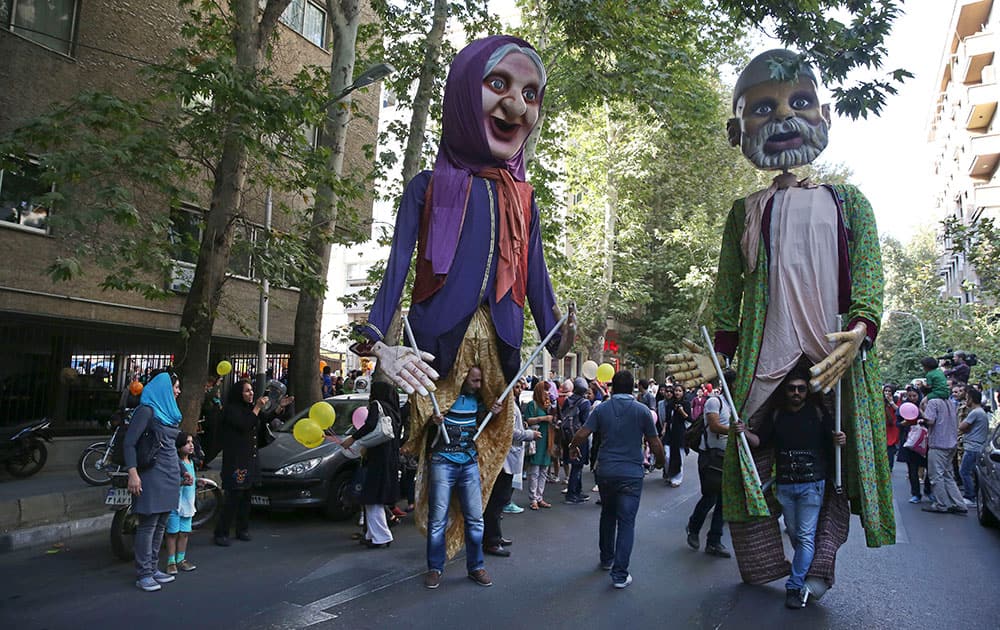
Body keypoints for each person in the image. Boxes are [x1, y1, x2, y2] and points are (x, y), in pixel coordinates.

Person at [664, 49, 895, 592]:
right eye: (762, 109)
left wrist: (862, 329)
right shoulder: (743, 213)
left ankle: (816, 565)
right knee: (747, 452)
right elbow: (728, 292)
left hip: (836, 357)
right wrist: (718, 352)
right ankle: (768, 560)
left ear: (826, 114)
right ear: (735, 130)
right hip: (763, 356)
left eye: (800, 102)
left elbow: (869, 275)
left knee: (842, 464)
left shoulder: (850, 202)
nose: (784, 117)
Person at [354, 36, 575, 564]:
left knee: (493, 439)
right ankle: (443, 539)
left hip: (503, 335)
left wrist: (558, 324)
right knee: (439, 443)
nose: (516, 104)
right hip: (437, 340)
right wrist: (375, 337)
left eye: (531, 93)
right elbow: (397, 266)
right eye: (498, 84)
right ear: (459, 95)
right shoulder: (427, 187)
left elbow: (536, 277)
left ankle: (470, 538)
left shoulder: (525, 198)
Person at [737, 369, 846, 609]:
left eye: (801, 388)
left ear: (808, 391)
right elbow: (759, 441)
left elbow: (833, 440)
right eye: (791, 388)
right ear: (785, 391)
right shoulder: (777, 415)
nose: (796, 392)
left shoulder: (818, 413)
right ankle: (806, 569)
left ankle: (794, 586)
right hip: (785, 485)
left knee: (806, 537)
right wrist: (744, 432)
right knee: (797, 535)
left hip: (812, 485)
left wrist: (840, 439)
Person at [568, 370, 663, 589]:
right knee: (626, 522)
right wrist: (660, 462)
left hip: (607, 472)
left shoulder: (601, 409)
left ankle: (606, 559)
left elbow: (582, 433)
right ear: (632, 388)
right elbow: (655, 442)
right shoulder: (642, 411)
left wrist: (573, 448)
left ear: (612, 387)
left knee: (608, 515)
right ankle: (620, 575)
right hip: (631, 474)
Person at [424, 367, 501, 589]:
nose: (478, 385)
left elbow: (486, 424)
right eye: (474, 380)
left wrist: (493, 411)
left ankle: (476, 567)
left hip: (468, 462)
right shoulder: (444, 399)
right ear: (463, 378)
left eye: (480, 381)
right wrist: (434, 422)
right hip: (442, 461)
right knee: (437, 520)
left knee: (476, 519)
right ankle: (435, 569)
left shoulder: (477, 401)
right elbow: (423, 425)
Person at [123, 372, 182, 592]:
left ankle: (153, 567)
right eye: (175, 387)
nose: (178, 391)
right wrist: (133, 473)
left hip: (170, 473)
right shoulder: (146, 411)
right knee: (148, 525)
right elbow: (129, 444)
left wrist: (182, 471)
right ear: (164, 390)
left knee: (161, 525)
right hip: (151, 474)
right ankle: (143, 573)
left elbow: (169, 446)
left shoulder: (169, 413)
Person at [334, 380, 403, 548]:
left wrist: (354, 438)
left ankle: (381, 536)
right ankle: (373, 535)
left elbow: (370, 425)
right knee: (373, 498)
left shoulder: (376, 405)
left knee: (372, 498)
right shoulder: (393, 410)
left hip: (377, 458)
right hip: (389, 458)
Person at [483, 379, 540, 556]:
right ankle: (491, 540)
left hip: (511, 457)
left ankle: (495, 535)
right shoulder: (504, 404)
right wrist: (529, 434)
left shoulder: (512, 403)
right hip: (504, 459)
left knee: (501, 501)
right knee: (496, 501)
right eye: (516, 385)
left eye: (520, 385)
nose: (520, 388)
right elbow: (507, 431)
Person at [686, 371, 735, 559]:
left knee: (724, 501)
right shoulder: (715, 402)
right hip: (711, 458)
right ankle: (693, 527)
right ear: (728, 385)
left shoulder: (736, 406)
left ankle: (714, 541)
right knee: (710, 497)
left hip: (728, 458)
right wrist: (736, 430)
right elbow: (714, 425)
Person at [214, 379, 268, 546]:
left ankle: (242, 529)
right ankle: (221, 532)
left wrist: (279, 407)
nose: (251, 393)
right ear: (239, 394)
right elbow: (245, 425)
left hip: (250, 458)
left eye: (252, 390)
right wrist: (257, 408)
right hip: (236, 460)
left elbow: (261, 421)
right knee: (233, 497)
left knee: (247, 496)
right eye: (247, 391)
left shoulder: (249, 409)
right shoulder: (231, 410)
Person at [917, 393, 967, 515]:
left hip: (938, 444)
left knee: (936, 476)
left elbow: (930, 420)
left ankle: (941, 504)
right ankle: (959, 504)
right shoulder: (949, 402)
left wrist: (921, 411)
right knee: (948, 475)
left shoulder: (933, 402)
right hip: (951, 444)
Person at [165, 432, 198, 575]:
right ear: (178, 447)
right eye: (186, 443)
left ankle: (181, 559)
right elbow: (169, 483)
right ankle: (171, 562)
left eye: (191, 442)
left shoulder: (191, 463)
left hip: (188, 505)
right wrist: (181, 482)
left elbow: (192, 483)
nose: (191, 445)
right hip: (175, 504)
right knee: (172, 533)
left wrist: (198, 483)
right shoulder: (174, 463)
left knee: (184, 533)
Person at [524, 381, 555, 510]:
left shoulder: (549, 406)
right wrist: (543, 418)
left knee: (544, 471)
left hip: (547, 440)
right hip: (537, 440)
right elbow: (528, 420)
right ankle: (533, 499)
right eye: (545, 390)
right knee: (535, 471)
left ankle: (540, 497)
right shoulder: (533, 405)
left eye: (548, 390)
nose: (547, 393)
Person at [563, 377, 592, 503]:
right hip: (580, 437)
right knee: (577, 466)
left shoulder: (567, 400)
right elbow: (586, 423)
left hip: (567, 435)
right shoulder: (585, 403)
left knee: (575, 464)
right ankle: (572, 494)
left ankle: (577, 491)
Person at [897, 386, 929, 504]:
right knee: (912, 470)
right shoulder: (903, 407)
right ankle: (915, 493)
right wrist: (904, 423)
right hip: (909, 443)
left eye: (914, 396)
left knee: (929, 468)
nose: (912, 398)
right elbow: (897, 423)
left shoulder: (924, 405)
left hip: (924, 443)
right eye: (909, 396)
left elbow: (930, 420)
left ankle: (928, 490)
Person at [959, 388, 989, 507]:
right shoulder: (980, 412)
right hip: (977, 446)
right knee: (972, 472)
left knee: (964, 471)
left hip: (973, 447)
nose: (966, 400)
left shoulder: (975, 412)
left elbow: (962, 426)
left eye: (967, 398)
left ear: (971, 399)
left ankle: (969, 496)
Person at [662, 384, 690, 487]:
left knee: (679, 457)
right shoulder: (670, 404)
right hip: (670, 433)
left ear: (683, 393)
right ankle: (670, 474)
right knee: (668, 455)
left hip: (680, 434)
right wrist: (664, 429)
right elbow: (667, 419)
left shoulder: (686, 404)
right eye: (676, 391)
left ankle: (677, 479)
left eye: (680, 391)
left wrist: (682, 411)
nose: (677, 393)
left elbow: (689, 418)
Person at [882, 385, 900, 469]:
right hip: (883, 426)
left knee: (890, 446)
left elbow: (899, 410)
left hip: (892, 427)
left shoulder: (896, 400)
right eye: (885, 391)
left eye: (889, 391)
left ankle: (889, 466)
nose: (887, 393)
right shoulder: (881, 400)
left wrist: (891, 403)